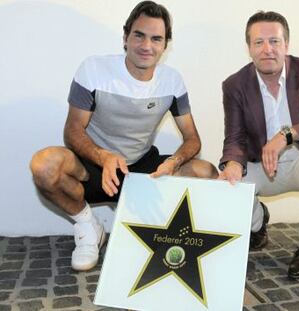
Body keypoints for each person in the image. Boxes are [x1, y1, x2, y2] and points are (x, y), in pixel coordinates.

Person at [30, 1, 217, 272]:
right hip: (93, 166)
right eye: (139, 35)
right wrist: (103, 156)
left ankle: (160, 230)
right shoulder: (93, 69)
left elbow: (192, 140)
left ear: (166, 45)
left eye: (156, 39)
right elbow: (72, 131)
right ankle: (88, 228)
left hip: (139, 169)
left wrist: (174, 162)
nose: (146, 45)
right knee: (44, 165)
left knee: (205, 171)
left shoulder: (172, 81)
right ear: (125, 37)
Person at [218, 11, 299, 279]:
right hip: (264, 168)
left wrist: (287, 135)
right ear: (249, 48)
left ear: (286, 45)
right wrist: (231, 163)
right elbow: (234, 137)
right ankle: (257, 224)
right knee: (226, 181)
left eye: (274, 41)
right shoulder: (234, 85)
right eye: (259, 42)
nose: (267, 49)